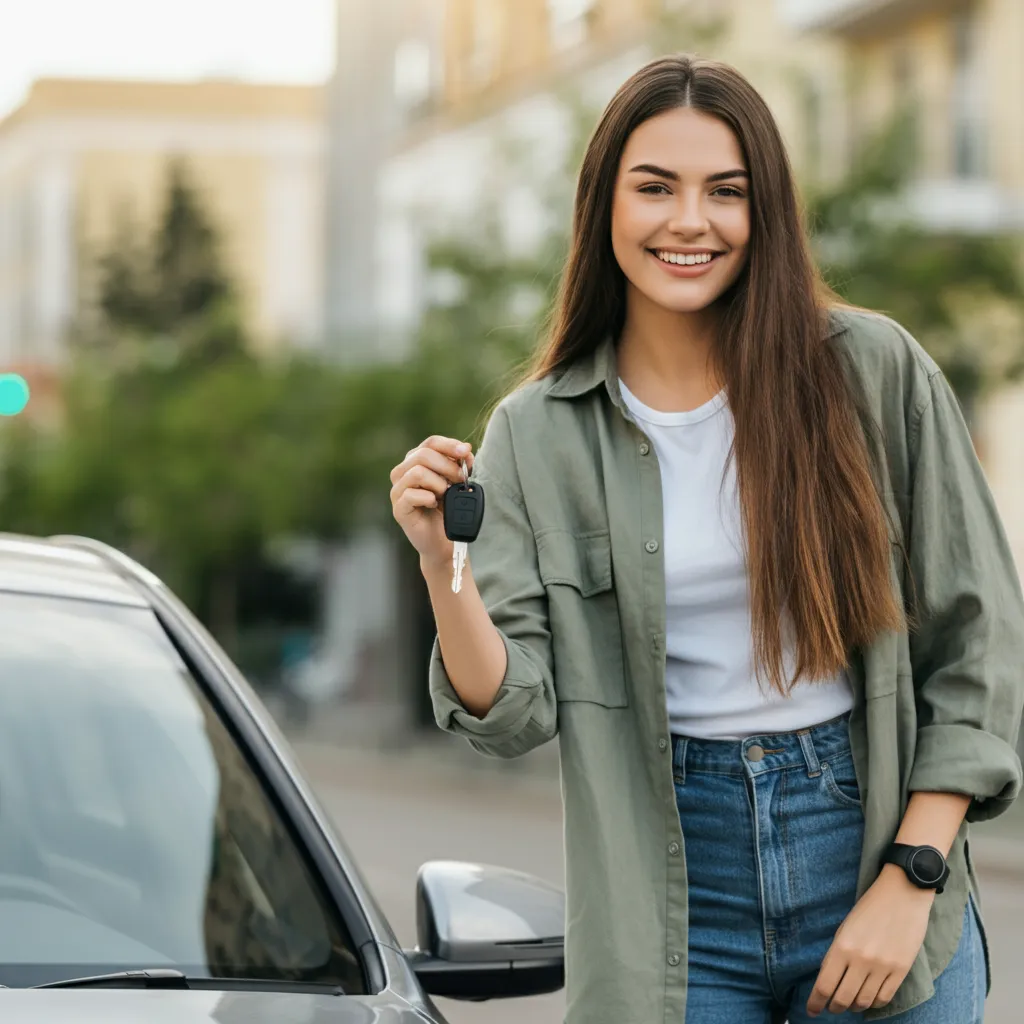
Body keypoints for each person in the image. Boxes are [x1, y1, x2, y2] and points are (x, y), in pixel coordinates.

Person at [387, 54, 1024, 1023]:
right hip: (668, 902)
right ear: (604, 206)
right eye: (655, 188)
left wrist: (913, 875)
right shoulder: (538, 429)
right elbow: (509, 712)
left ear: (761, 211)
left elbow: (978, 641)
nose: (690, 221)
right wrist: (443, 564)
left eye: (724, 192)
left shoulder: (874, 373)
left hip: (868, 841)